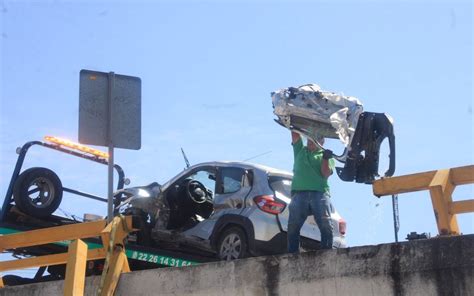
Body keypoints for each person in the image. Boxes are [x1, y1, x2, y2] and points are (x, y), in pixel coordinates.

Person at [287, 131, 335, 253]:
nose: (310, 141)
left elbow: (325, 174)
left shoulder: (326, 156)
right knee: (293, 226)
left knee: (325, 225)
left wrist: (325, 158)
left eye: (314, 139)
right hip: (299, 193)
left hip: (319, 193)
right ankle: (292, 254)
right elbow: (295, 134)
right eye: (309, 138)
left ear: (321, 142)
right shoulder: (300, 151)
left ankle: (326, 253)